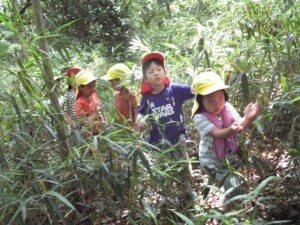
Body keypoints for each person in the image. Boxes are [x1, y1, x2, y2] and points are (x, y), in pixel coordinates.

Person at [191, 71, 259, 209]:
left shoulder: (227, 107)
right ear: (200, 101)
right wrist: (232, 129)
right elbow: (218, 134)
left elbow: (239, 124)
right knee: (234, 188)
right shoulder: (199, 117)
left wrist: (247, 117)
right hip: (212, 162)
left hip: (229, 157)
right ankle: (232, 215)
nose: (217, 105)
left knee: (235, 188)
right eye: (210, 101)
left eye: (220, 98)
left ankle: (230, 213)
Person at [135, 51, 196, 204]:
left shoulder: (174, 89)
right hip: (158, 141)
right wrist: (140, 119)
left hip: (177, 135)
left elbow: (193, 90)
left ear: (165, 72)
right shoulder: (147, 98)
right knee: (162, 169)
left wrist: (203, 86)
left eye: (159, 69)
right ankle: (168, 196)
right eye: (151, 71)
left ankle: (187, 190)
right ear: (146, 79)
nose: (156, 73)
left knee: (182, 164)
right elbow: (141, 112)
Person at [101, 63, 139, 127]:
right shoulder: (117, 95)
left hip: (132, 129)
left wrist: (137, 126)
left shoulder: (131, 94)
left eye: (112, 82)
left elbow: (136, 111)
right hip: (123, 128)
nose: (111, 84)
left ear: (119, 80)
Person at [74, 70, 107, 140]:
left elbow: (100, 107)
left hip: (101, 132)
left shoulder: (94, 95)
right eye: (89, 87)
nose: (92, 89)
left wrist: (105, 116)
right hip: (90, 136)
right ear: (80, 88)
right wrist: (98, 123)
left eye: (93, 86)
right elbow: (81, 122)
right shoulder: (80, 103)